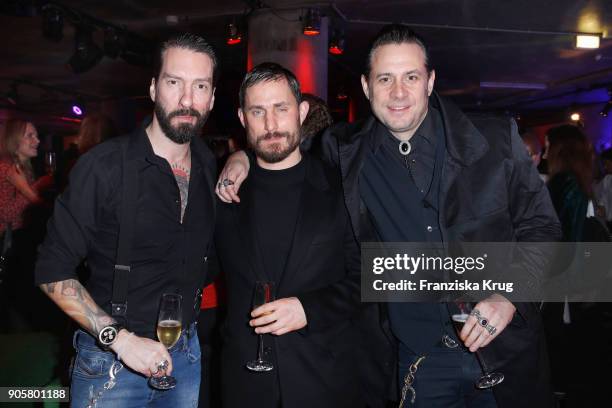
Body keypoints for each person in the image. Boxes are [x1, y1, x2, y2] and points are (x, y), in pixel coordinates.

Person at [217, 24, 561, 408]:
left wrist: (510, 295)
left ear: (430, 81)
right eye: (385, 79)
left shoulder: (495, 140)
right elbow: (279, 145)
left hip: (503, 351)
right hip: (417, 360)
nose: (398, 93)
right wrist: (239, 158)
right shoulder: (344, 150)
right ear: (366, 87)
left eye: (410, 77)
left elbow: (544, 227)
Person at [34, 33, 218, 407]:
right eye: (174, 82)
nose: (187, 99)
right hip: (112, 364)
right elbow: (51, 271)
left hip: (186, 357)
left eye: (200, 86)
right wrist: (121, 341)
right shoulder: (103, 167)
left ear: (212, 97)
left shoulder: (209, 166)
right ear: (153, 88)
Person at [214, 62, 364, 407]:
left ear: (302, 111)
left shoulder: (342, 188)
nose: (271, 125)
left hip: (325, 382)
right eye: (258, 111)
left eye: (281, 109)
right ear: (242, 117)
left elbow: (367, 277)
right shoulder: (223, 193)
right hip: (245, 386)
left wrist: (309, 308)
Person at [0, 119, 52, 234]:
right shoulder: (5, 169)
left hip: (21, 234)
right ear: (14, 140)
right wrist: (36, 186)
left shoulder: (25, 168)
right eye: (30, 135)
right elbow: (5, 214)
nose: (38, 141)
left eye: (37, 136)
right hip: (9, 240)